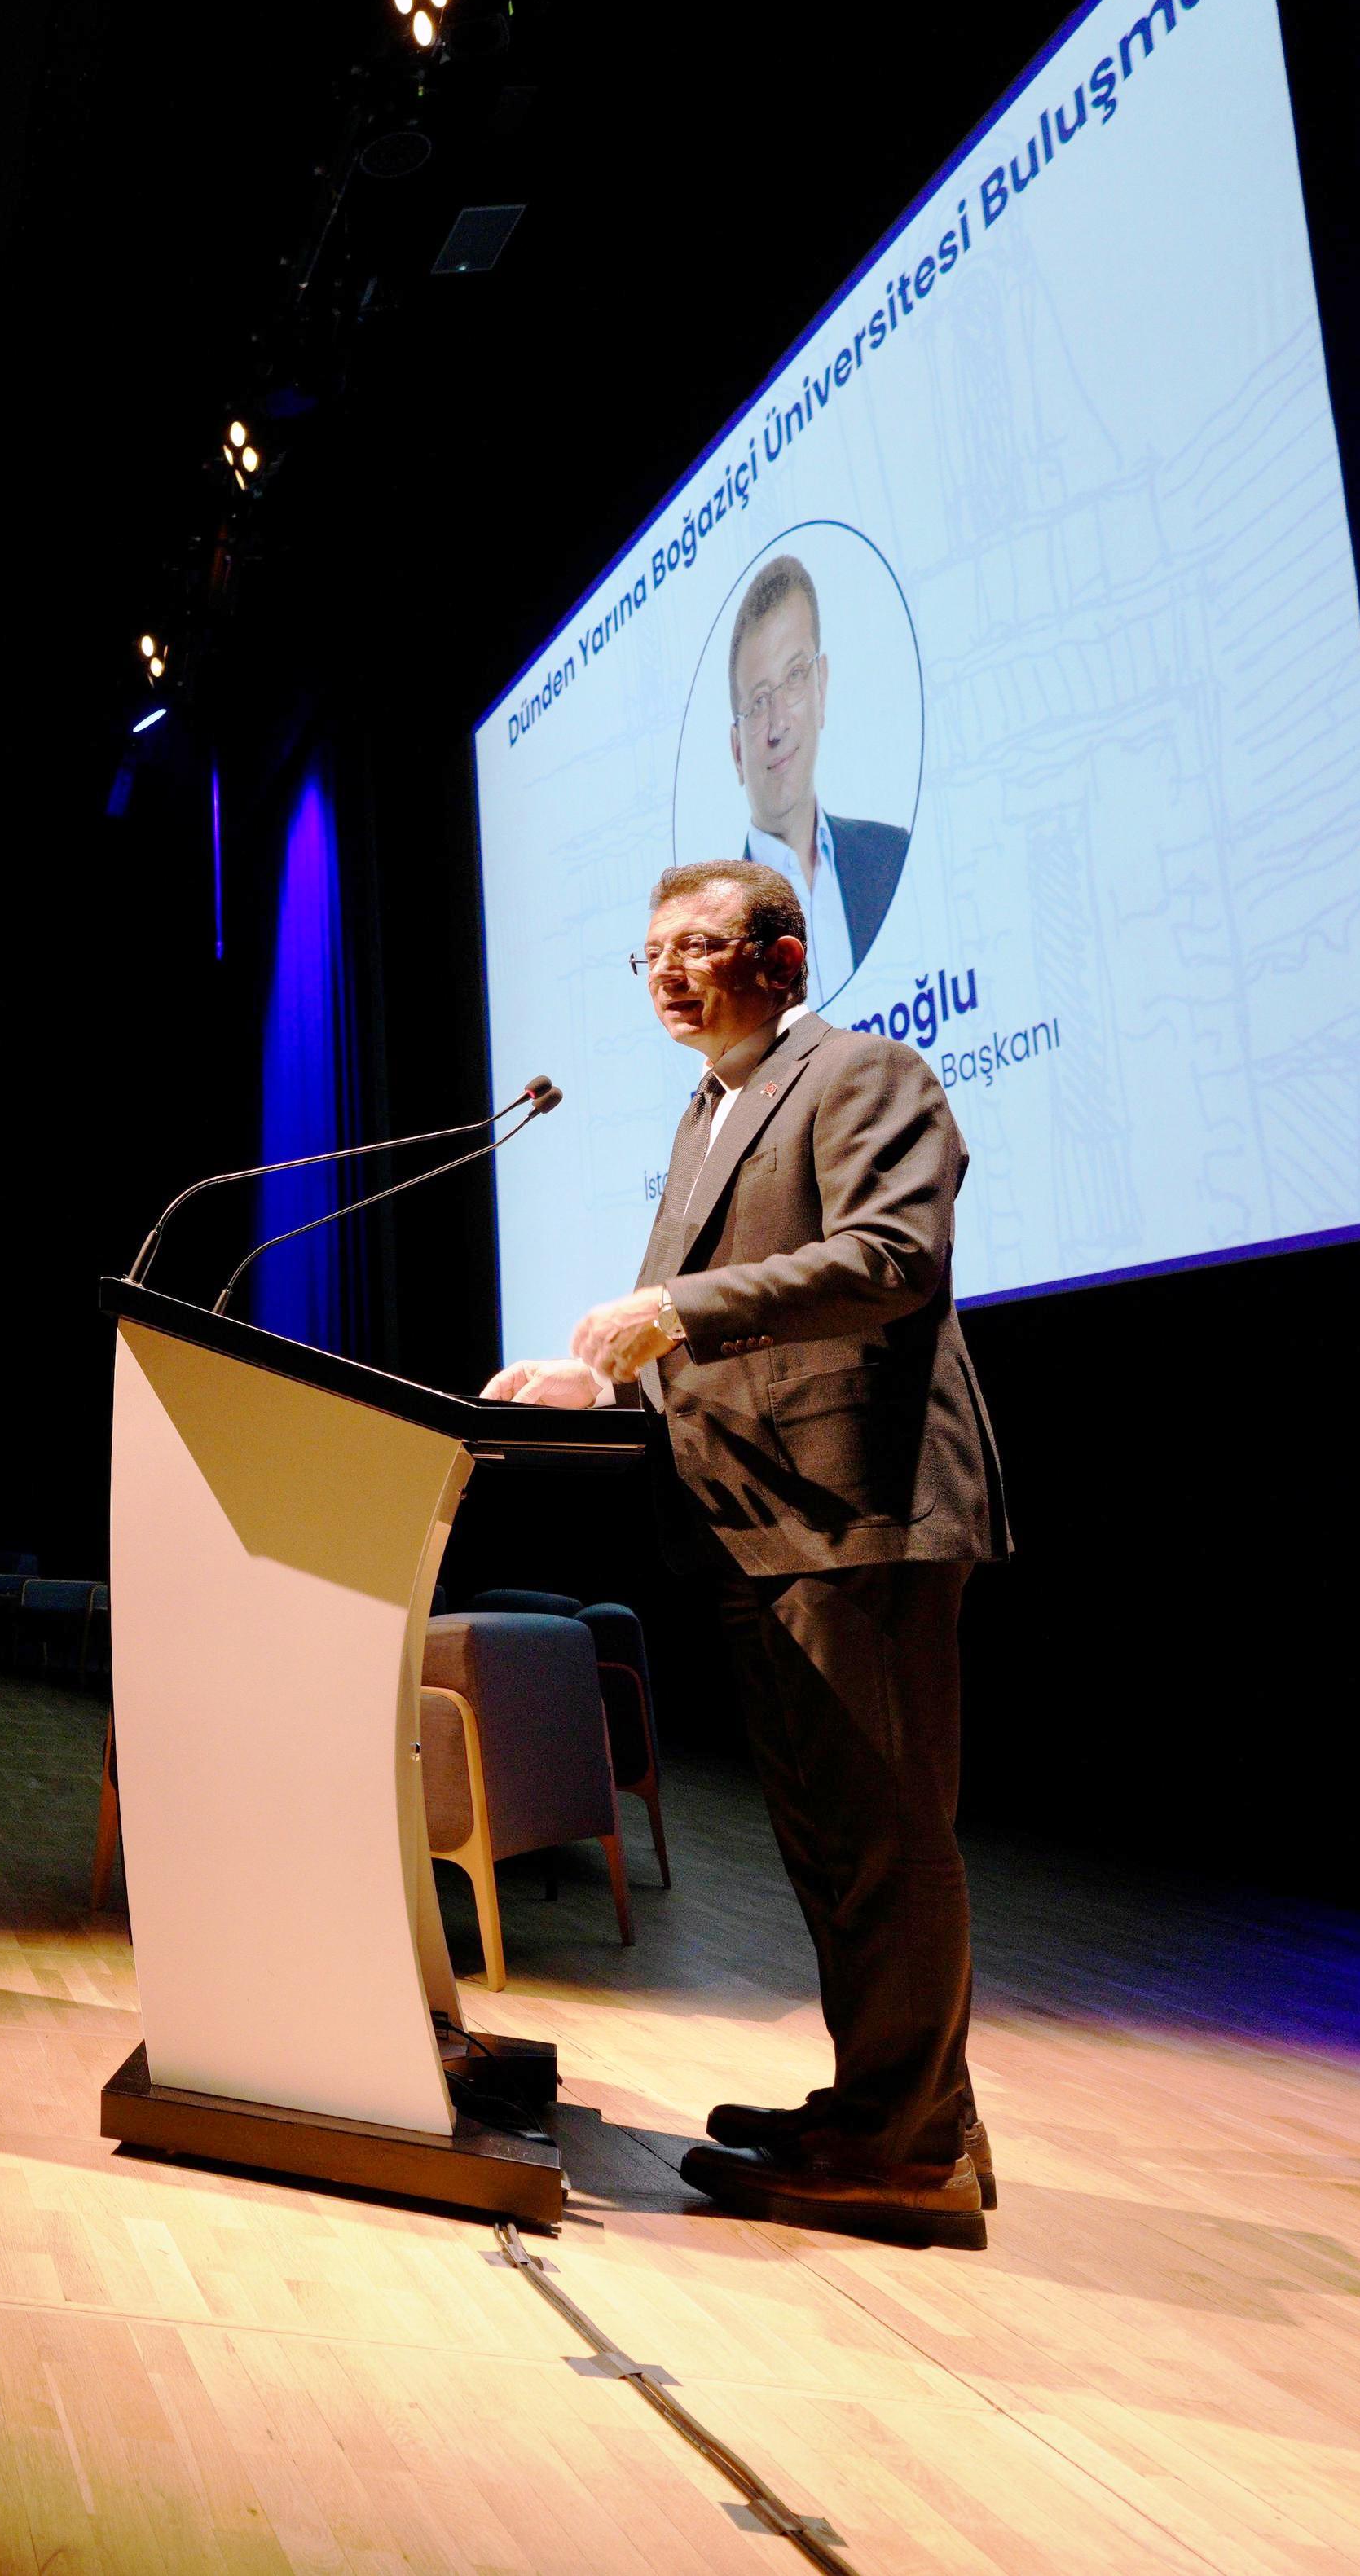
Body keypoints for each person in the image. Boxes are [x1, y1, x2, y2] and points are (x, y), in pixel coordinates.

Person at [486, 859, 1007, 2249]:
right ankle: (899, 2110)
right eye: (649, 949)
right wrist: (595, 1383)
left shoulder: (859, 1070)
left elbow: (895, 1255)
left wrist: (671, 1307)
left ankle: (906, 2148)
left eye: (700, 945)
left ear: (781, 958)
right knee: (839, 1841)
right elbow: (689, 1338)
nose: (667, 970)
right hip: (764, 1516)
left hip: (862, 1509)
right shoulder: (709, 1110)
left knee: (887, 1834)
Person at [717, 555, 909, 976]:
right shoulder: (721, 948)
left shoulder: (893, 857)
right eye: (759, 701)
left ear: (821, 687)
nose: (779, 725)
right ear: (736, 752)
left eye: (795, 677)